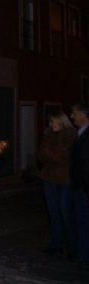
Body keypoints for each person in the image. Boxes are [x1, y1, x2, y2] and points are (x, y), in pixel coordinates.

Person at [38, 111, 76, 256]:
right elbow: (41, 154)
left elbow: (64, 157)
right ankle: (56, 244)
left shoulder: (70, 135)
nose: (50, 124)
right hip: (49, 178)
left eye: (53, 121)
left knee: (65, 212)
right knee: (53, 213)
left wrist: (50, 154)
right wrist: (50, 154)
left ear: (61, 121)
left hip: (65, 179)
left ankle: (73, 247)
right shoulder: (48, 135)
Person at [70, 103, 89, 264]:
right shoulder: (79, 134)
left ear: (83, 115)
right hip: (78, 186)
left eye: (75, 113)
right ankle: (83, 254)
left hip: (84, 187)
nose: (72, 116)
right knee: (81, 221)